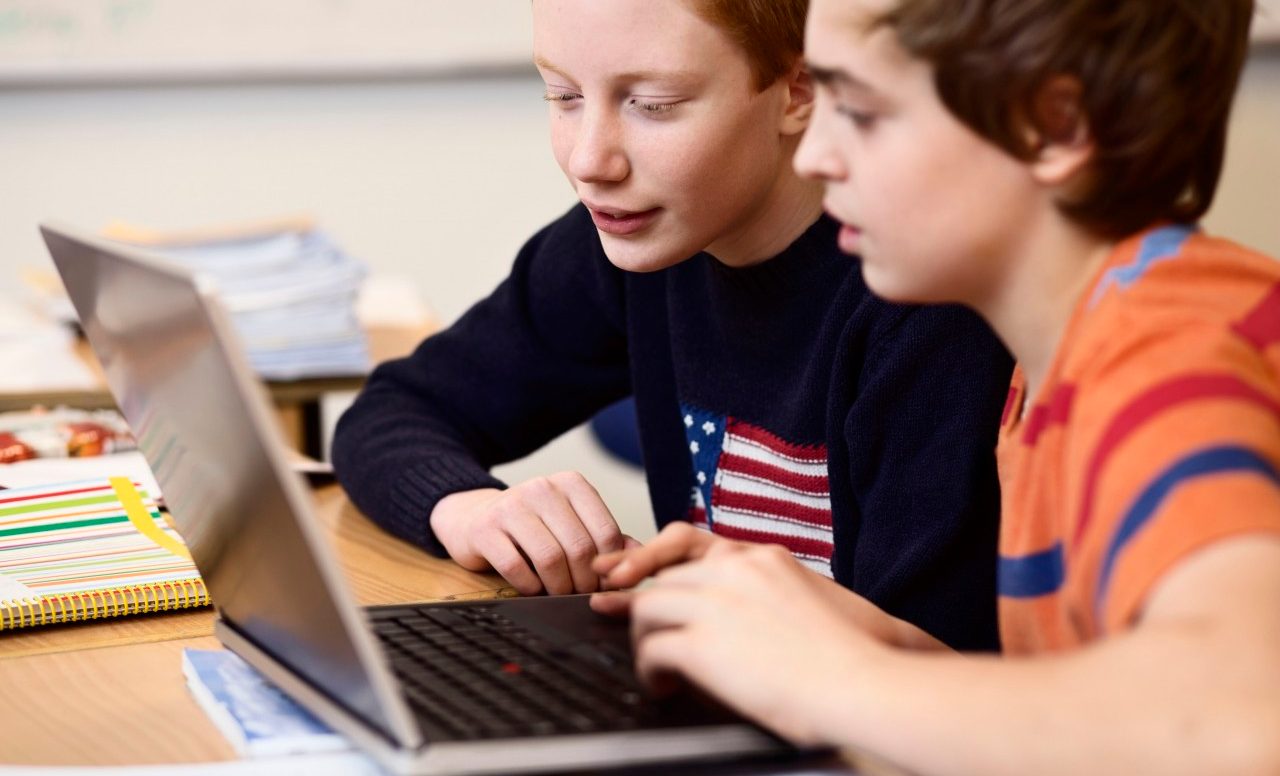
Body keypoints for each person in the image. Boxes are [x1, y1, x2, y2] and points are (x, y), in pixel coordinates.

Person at [592, 0, 1280, 772]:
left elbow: (1239, 723)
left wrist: (837, 679)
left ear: (1052, 127)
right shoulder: (1050, 372)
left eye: (858, 108)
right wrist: (870, 639)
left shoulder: (1169, 358)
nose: (814, 155)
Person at [333, 0, 1014, 651]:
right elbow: (394, 410)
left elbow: (934, 671)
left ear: (799, 88)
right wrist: (468, 507)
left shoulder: (923, 304)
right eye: (562, 96)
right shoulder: (634, 241)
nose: (589, 160)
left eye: (653, 106)